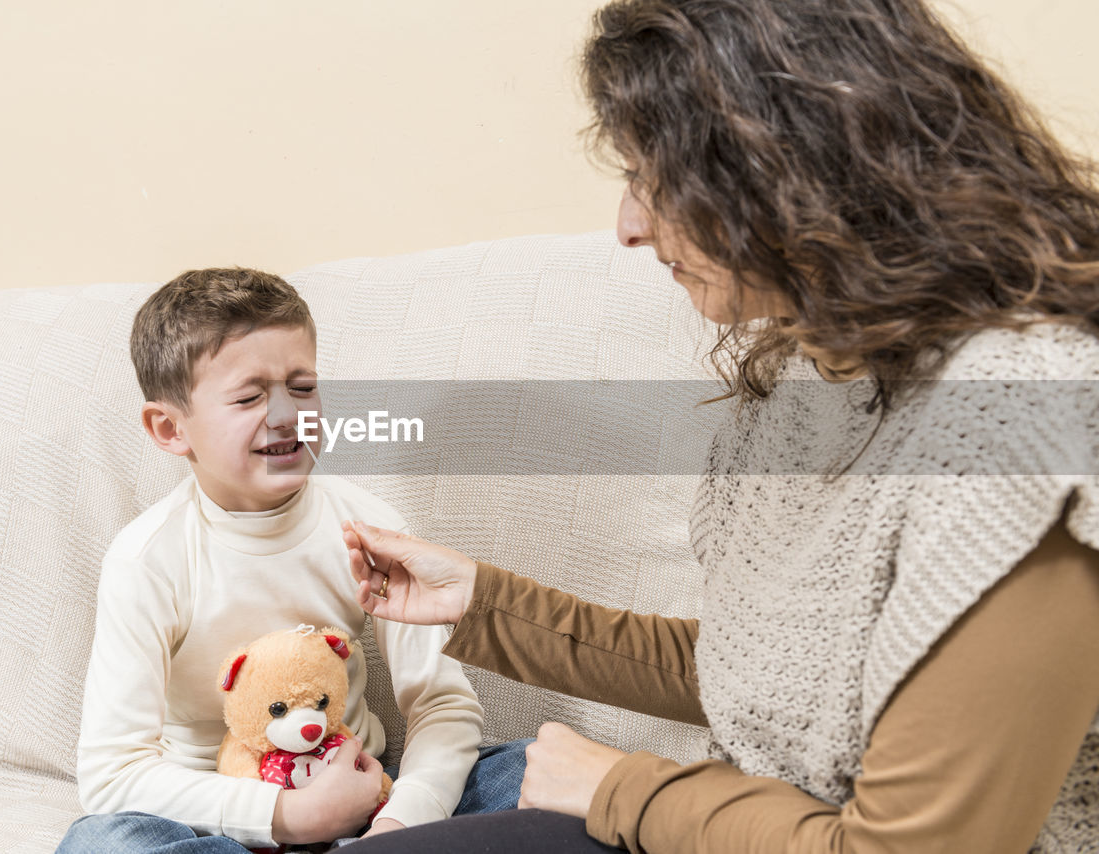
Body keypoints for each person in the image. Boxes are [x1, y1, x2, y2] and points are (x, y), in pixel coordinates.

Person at [334, 0, 1099, 852]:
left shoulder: (1028, 420)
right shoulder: (816, 374)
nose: (628, 226)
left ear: (786, 162)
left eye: (650, 178)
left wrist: (622, 789)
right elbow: (765, 675)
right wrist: (487, 604)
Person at [57, 268, 524, 853]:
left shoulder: (368, 530)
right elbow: (112, 773)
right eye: (250, 397)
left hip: (365, 801)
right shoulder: (147, 560)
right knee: (104, 844)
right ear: (170, 427)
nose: (287, 415)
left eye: (302, 387)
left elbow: (441, 703)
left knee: (538, 772)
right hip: (212, 821)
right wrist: (287, 816)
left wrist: (398, 821)